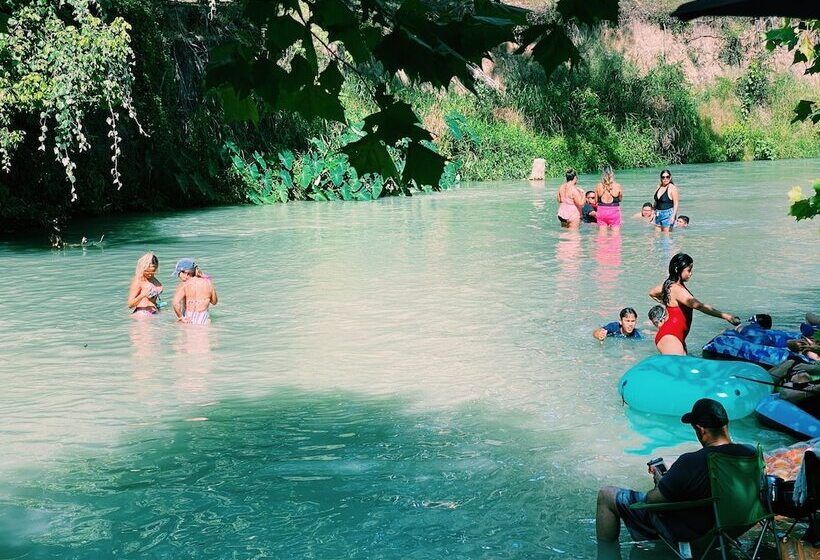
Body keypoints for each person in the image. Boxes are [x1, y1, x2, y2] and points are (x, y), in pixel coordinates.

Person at [596, 399, 755, 547]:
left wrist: (660, 481)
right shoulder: (750, 454)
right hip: (730, 529)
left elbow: (652, 500)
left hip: (692, 533)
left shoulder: (692, 461)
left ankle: (605, 553)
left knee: (606, 495)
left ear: (700, 430)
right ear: (725, 425)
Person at [649, 253, 740, 355]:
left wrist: (666, 302)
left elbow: (652, 293)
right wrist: (726, 316)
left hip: (677, 337)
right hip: (670, 337)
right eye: (688, 270)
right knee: (681, 368)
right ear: (677, 269)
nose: (691, 273)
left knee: (684, 367)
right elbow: (700, 306)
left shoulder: (668, 285)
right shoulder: (677, 289)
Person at [172, 258, 218, 325]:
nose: (178, 276)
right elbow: (214, 302)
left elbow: (175, 303)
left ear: (186, 273)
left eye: (178, 273)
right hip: (204, 318)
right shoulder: (208, 282)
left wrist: (180, 317)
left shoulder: (184, 285)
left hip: (189, 318)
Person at [127, 252, 163, 316]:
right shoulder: (138, 280)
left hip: (154, 312)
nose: (150, 274)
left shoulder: (153, 278)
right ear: (143, 267)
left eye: (153, 271)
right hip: (142, 314)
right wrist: (142, 295)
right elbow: (130, 305)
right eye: (147, 271)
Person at [595, 165, 623, 232]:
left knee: (602, 236)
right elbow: (620, 199)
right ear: (612, 173)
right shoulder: (618, 186)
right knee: (615, 237)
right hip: (614, 212)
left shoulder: (598, 186)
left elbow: (595, 201)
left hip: (601, 212)